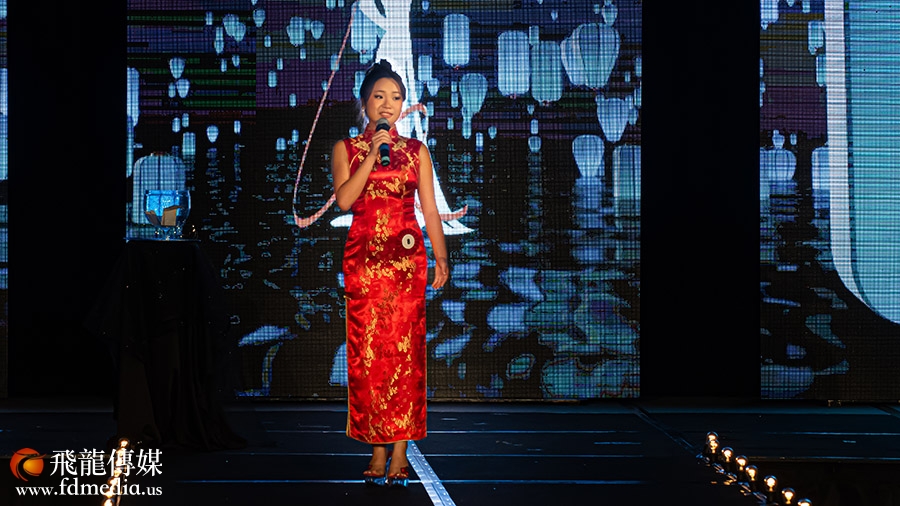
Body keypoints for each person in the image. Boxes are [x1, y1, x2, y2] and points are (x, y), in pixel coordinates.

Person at [331, 60, 450, 487]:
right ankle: (377, 446)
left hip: (405, 263)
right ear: (364, 102)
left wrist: (441, 256)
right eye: (379, 97)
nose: (388, 105)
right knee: (369, 357)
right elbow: (345, 201)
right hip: (364, 264)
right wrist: (370, 155)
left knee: (405, 356)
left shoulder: (417, 151)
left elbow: (430, 209)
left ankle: (400, 447)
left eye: (396, 98)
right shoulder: (346, 149)